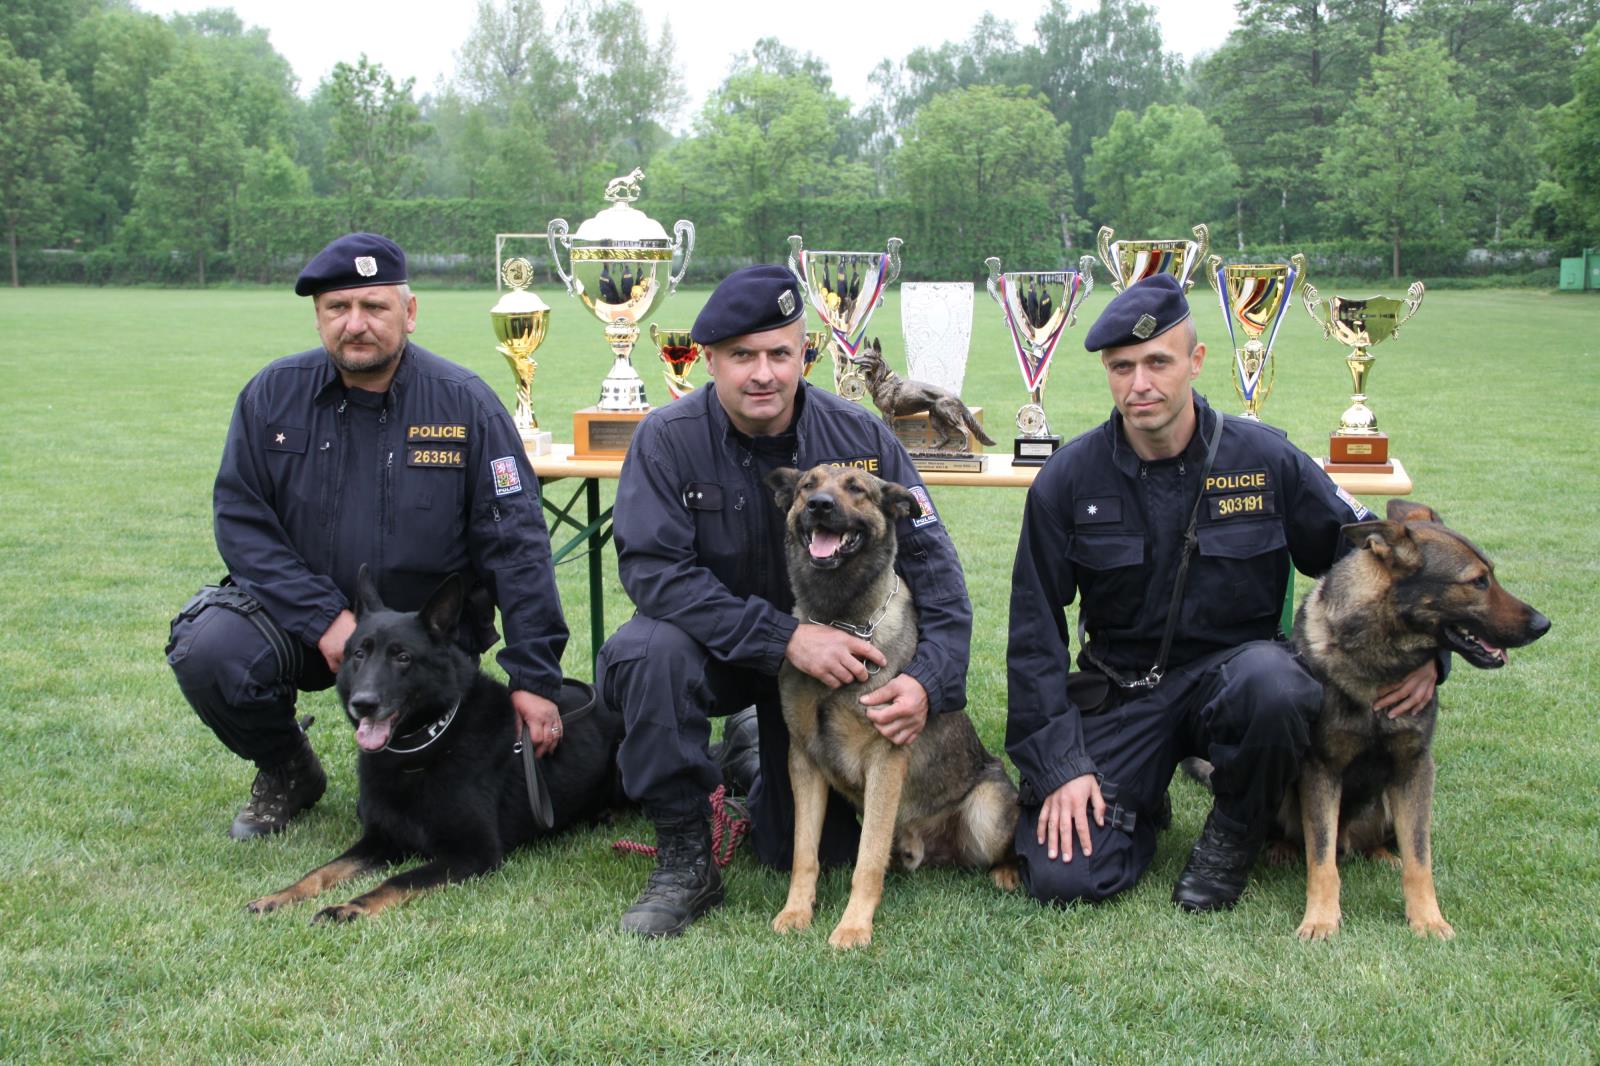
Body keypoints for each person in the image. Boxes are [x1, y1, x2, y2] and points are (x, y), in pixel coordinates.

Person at [1005, 273, 1439, 911]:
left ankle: (1237, 832)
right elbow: (1034, 628)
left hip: (1239, 682)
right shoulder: (1068, 479)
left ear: (1196, 361)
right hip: (1123, 691)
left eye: (1158, 362)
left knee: (1279, 683)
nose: (1140, 384)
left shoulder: (1267, 459)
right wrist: (1060, 766)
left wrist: (1431, 654)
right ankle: (1138, 802)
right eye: (1122, 367)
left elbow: (1373, 559)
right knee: (1066, 879)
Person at [597, 264, 974, 938]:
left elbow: (937, 569)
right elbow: (655, 573)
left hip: (821, 679)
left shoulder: (863, 439)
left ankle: (751, 755)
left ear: (807, 353)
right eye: (742, 355)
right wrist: (783, 638)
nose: (762, 372)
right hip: (720, 652)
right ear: (709, 359)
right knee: (645, 650)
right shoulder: (666, 438)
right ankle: (686, 855)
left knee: (795, 850)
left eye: (780, 352)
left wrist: (929, 680)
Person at [167, 232, 568, 840]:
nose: (355, 324)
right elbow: (242, 524)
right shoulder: (270, 397)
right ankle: (286, 769)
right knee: (209, 648)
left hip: (424, 638)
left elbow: (516, 545)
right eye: (338, 308)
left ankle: (426, 768)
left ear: (408, 313)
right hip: (307, 625)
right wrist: (325, 617)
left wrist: (535, 679)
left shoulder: (466, 405)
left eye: (374, 306)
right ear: (319, 316)